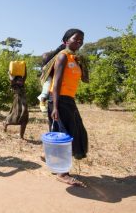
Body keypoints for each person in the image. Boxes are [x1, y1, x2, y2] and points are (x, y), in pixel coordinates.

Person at [47, 29, 88, 186]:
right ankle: (62, 173)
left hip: (69, 100)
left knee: (76, 133)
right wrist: (55, 107)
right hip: (58, 99)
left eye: (81, 40)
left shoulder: (75, 59)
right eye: (76, 39)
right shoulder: (63, 56)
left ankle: (56, 166)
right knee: (65, 135)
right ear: (66, 40)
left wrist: (83, 65)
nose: (79, 42)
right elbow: (56, 82)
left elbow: (85, 80)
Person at [3, 66, 29, 139]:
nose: (20, 81)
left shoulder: (22, 85)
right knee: (14, 117)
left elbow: (25, 76)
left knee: (24, 120)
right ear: (15, 81)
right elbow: (11, 78)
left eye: (21, 80)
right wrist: (10, 72)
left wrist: (24, 68)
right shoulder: (14, 85)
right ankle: (6, 123)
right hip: (17, 104)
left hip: (24, 103)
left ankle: (21, 136)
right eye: (19, 80)